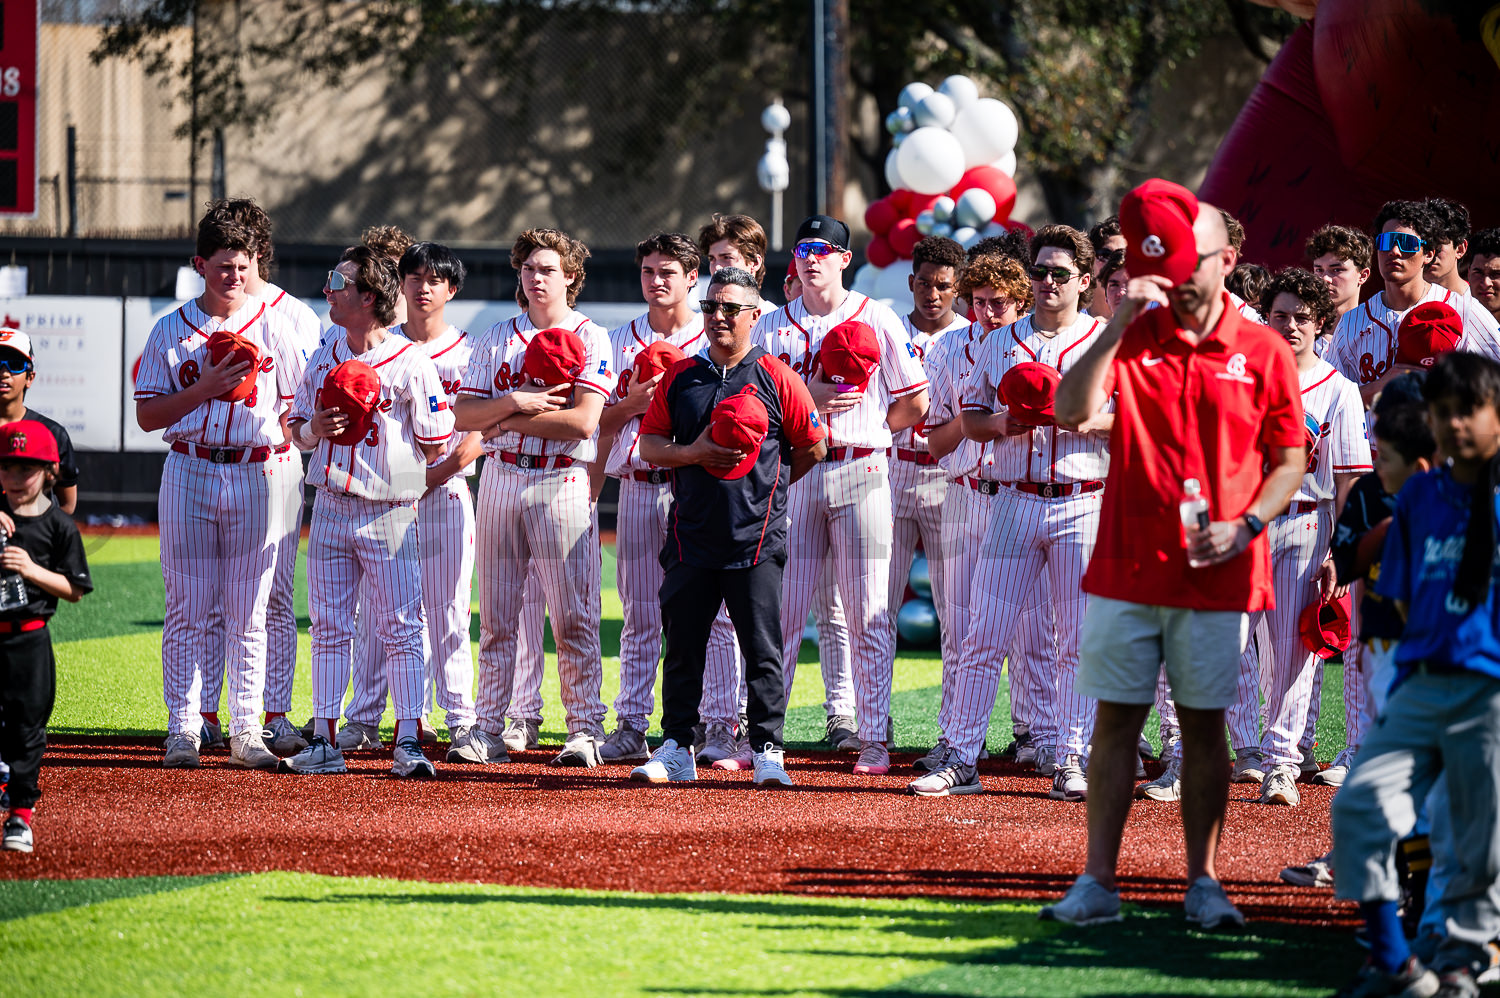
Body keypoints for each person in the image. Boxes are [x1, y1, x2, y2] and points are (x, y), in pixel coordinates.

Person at [1043, 179, 1305, 929]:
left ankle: (1205, 882)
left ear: (1226, 261)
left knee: (1202, 727)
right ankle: (1097, 881)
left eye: (1196, 266)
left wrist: (1249, 526)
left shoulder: (1260, 348)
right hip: (1127, 562)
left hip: (1220, 569)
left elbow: (1289, 457)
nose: (1183, 281)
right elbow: (1068, 411)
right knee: (1115, 723)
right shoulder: (1137, 332)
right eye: (1173, 268)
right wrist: (1121, 314)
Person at [910, 225, 1113, 801]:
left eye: (1061, 274)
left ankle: (1072, 757)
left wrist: (1086, 420)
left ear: (1083, 280)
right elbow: (970, 419)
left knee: (1076, 638)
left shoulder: (1104, 340)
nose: (1049, 282)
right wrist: (1003, 424)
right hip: (1013, 499)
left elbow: (1135, 420)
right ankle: (960, 755)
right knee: (983, 634)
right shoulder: (999, 341)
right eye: (1041, 272)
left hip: (1081, 501)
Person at [1330, 352, 1500, 998]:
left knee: (1473, 834)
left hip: (1489, 688)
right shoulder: (1422, 494)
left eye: (1470, 412)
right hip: (1421, 681)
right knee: (1361, 805)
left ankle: (1461, 959)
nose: (1455, 425)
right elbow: (1398, 597)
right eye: (1443, 413)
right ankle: (1395, 961)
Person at [628, 266, 827, 786]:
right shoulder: (680, 375)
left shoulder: (777, 376)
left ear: (754, 315)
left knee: (762, 650)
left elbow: (812, 446)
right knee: (684, 646)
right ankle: (676, 747)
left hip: (755, 537)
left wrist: (770, 488)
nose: (718, 316)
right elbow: (649, 446)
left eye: (730, 308)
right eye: (711, 306)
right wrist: (694, 452)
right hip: (689, 533)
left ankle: (767, 751)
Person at [756, 214, 929, 776]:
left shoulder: (875, 315)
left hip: (861, 469)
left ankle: (874, 738)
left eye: (824, 249)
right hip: (796, 473)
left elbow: (915, 403)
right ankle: (767, 740)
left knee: (869, 613)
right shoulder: (771, 325)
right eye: (804, 248)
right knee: (781, 612)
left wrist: (874, 424)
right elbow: (748, 402)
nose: (812, 257)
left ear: (843, 259)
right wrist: (807, 395)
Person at [134, 210, 305, 771]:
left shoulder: (276, 325)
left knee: (249, 609)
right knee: (186, 605)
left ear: (255, 264)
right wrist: (206, 388)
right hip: (189, 469)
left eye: (243, 265)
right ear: (199, 265)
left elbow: (300, 409)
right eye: (222, 265)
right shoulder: (170, 328)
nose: (233, 275)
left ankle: (246, 730)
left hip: (257, 470)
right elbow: (147, 415)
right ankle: (183, 727)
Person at [282, 246, 453, 778]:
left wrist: (390, 450)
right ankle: (326, 740)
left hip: (389, 510)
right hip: (331, 502)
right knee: (330, 627)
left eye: (340, 280)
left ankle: (407, 741)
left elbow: (437, 442)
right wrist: (314, 431)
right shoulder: (329, 346)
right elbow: (297, 424)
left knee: (401, 626)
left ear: (368, 297)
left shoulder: (411, 360)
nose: (329, 286)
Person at [455, 227, 615, 768]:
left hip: (562, 478)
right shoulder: (497, 336)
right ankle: (488, 728)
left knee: (574, 616)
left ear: (571, 276)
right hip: (500, 475)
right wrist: (509, 403)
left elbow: (583, 422)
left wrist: (509, 413)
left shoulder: (593, 336)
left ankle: (585, 729)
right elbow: (463, 415)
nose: (535, 277)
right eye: (527, 269)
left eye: (547, 269)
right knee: (499, 618)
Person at [336, 242, 486, 762]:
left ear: (452, 289)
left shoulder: (469, 350)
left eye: (434, 278)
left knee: (447, 610)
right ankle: (364, 718)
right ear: (399, 285)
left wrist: (431, 475)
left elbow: (477, 432)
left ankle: (462, 722)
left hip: (444, 492)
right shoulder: (377, 344)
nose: (423, 287)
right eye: (414, 276)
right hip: (383, 499)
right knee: (379, 611)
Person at [593, 232, 736, 763]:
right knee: (639, 612)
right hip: (636, 487)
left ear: (692, 278)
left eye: (668, 271)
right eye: (649, 271)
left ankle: (720, 725)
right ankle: (632, 722)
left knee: (716, 614)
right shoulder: (617, 339)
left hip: (697, 489)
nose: (657, 281)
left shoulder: (714, 336)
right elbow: (597, 421)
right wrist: (634, 402)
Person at [912, 253, 1055, 778]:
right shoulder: (949, 346)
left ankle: (1036, 734)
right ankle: (955, 737)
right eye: (978, 302)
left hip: (1023, 494)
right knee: (960, 623)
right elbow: (935, 441)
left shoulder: (1038, 346)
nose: (989, 311)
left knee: (1035, 627)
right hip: (966, 492)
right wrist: (992, 422)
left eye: (1000, 302)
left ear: (1020, 300)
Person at [1233, 267, 1369, 808]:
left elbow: (1349, 481)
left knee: (1292, 653)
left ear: (1321, 323)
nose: (1290, 326)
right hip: (1241, 521)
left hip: (1304, 522)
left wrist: (1341, 549)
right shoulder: (1239, 377)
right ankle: (1240, 749)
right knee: (1226, 645)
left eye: (1302, 318)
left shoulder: (1339, 389)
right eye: (1280, 315)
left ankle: (1282, 762)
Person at [195, 197, 321, 757]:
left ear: (259, 252)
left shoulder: (293, 314)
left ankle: (272, 713)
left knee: (271, 595)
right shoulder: (203, 310)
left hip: (276, 461)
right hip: (213, 462)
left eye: (248, 246)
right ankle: (204, 713)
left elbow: (306, 399)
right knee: (208, 598)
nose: (237, 264)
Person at [0, 421, 92, 853]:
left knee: (28, 729)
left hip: (30, 641)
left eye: (27, 469)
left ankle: (20, 814)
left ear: (50, 472)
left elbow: (74, 590)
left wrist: (31, 569)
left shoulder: (59, 527)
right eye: (7, 468)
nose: (16, 478)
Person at [1329, 200, 1500, 409]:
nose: (1394, 250)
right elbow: (1328, 403)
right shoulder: (1351, 323)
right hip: (1372, 442)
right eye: (1385, 241)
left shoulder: (1464, 309)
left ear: (1428, 254)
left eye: (1406, 243)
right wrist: (1376, 388)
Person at [891, 237, 969, 670]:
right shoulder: (889, 330)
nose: (932, 294)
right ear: (911, 282)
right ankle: (873, 730)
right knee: (875, 610)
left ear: (957, 287)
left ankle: (956, 733)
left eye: (943, 285)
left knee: (956, 611)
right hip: (894, 470)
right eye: (923, 283)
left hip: (950, 476)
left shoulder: (974, 337)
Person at [0, 330, 79, 515]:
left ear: (30, 377)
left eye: (15, 365)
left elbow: (66, 506)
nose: (4, 372)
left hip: (31, 542)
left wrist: (34, 534)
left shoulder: (52, 433)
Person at [1306, 224, 1373, 354]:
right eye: (1319, 270)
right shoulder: (1297, 329)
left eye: (1336, 270)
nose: (1325, 278)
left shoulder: (1377, 332)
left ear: (1363, 276)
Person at [1424, 197, 1472, 296]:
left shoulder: (1480, 306)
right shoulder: (1397, 302)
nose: (1430, 254)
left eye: (1438, 245)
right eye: (1424, 244)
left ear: (1460, 249)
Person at [1087, 217, 1125, 320]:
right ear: (1090, 261)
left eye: (1122, 255)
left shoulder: (1152, 311)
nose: (1114, 263)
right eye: (1105, 255)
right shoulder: (1071, 320)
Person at [1468, 227, 1500, 322]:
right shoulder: (1454, 326)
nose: (1486, 283)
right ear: (1469, 273)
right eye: (1478, 273)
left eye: (1496, 274)